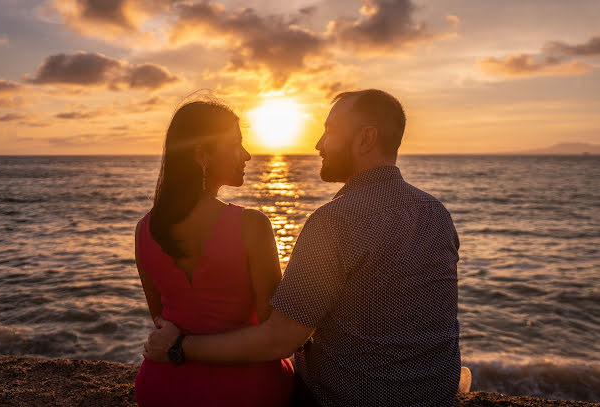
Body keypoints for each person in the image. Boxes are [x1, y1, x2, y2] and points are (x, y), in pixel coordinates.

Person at [144, 89, 462, 407]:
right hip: (435, 394)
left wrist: (178, 346)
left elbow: (280, 340)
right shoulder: (436, 212)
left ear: (366, 139)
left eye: (331, 130)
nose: (319, 144)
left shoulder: (335, 221)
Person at [134, 99, 294, 407]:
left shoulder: (144, 229)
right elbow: (275, 337)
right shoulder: (252, 225)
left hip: (164, 385)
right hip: (247, 390)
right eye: (235, 144)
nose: (246, 155)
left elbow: (160, 318)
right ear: (201, 155)